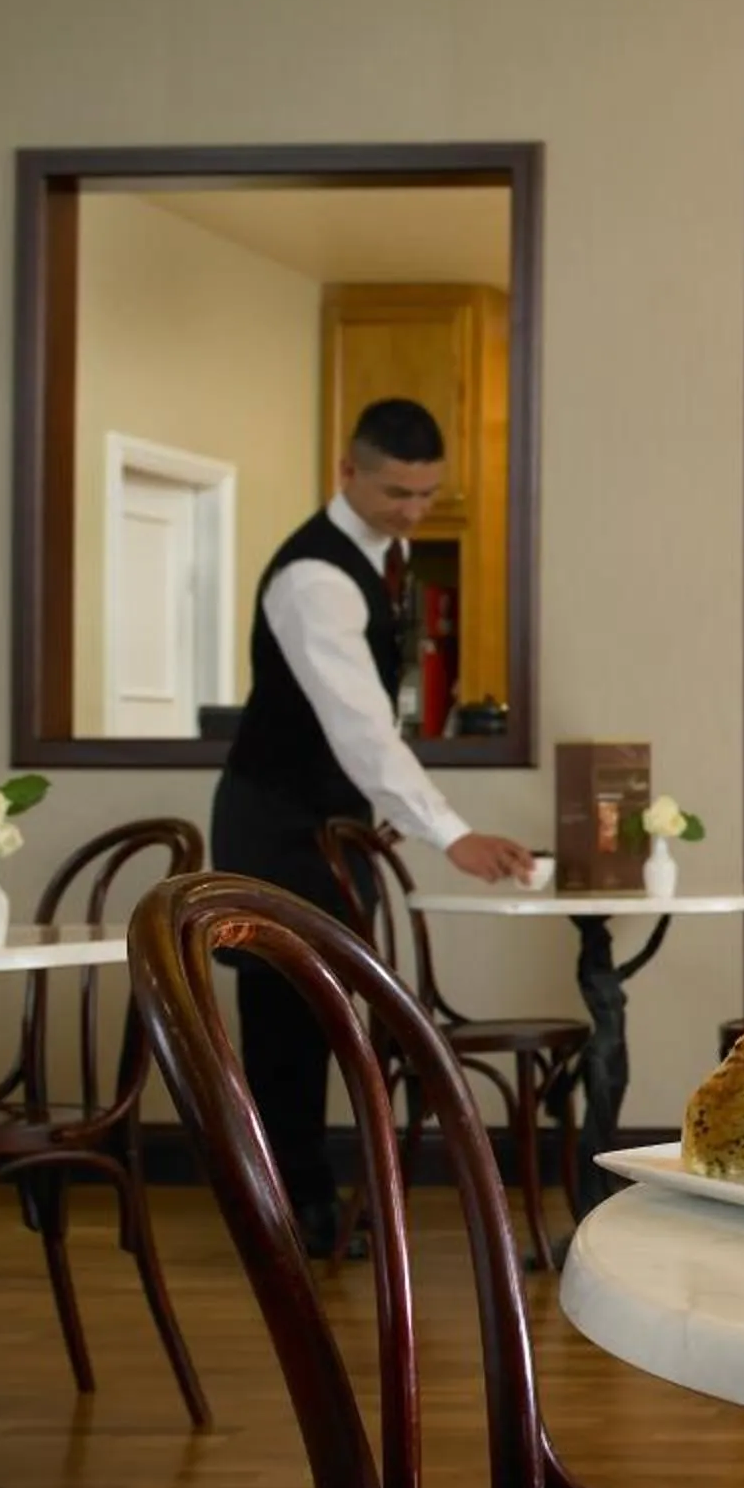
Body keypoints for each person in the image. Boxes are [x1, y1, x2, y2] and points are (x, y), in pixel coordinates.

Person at [211, 397, 534, 1258]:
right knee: (285, 1020)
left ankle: (307, 1206)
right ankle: (288, 1216)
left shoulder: (376, 555)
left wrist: (372, 818)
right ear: (346, 471)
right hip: (275, 822)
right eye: (398, 493)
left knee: (322, 1014)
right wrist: (448, 832)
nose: (415, 513)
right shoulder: (316, 577)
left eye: (428, 495)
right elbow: (359, 725)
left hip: (325, 820)